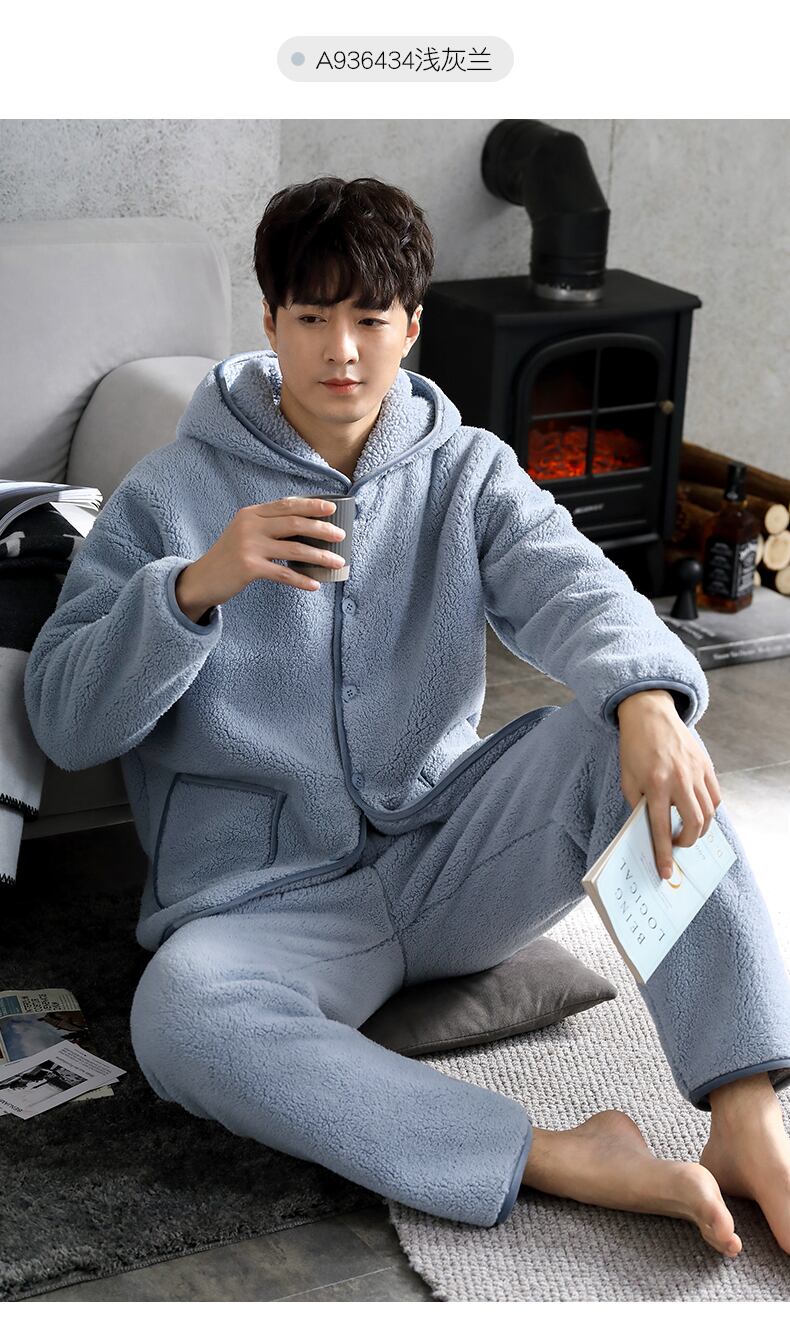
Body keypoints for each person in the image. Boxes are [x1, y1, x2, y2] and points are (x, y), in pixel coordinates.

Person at [24, 177, 790, 1255]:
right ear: (269, 324)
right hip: (263, 906)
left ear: (411, 328)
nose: (341, 350)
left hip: (448, 863)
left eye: (369, 319)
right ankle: (556, 1152)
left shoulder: (464, 470)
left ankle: (747, 1116)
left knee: (628, 738)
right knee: (179, 1015)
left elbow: (575, 586)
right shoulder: (169, 493)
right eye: (311, 317)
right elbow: (64, 719)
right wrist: (193, 587)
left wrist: (651, 701)